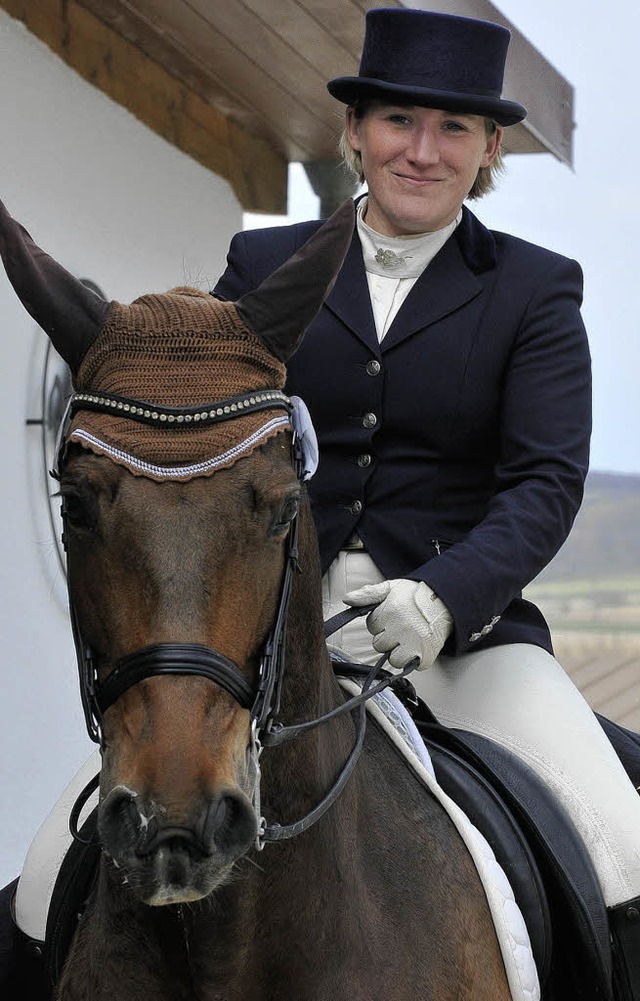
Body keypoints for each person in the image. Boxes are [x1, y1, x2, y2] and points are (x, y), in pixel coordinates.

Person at [212, 7, 640, 997]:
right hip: (271, 640)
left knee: (622, 846)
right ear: (355, 130)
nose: (421, 149)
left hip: (462, 641)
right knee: (63, 858)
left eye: (452, 128)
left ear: (490, 147)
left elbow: (543, 482)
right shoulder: (258, 270)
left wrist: (441, 596)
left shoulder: (534, 289)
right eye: (399, 119)